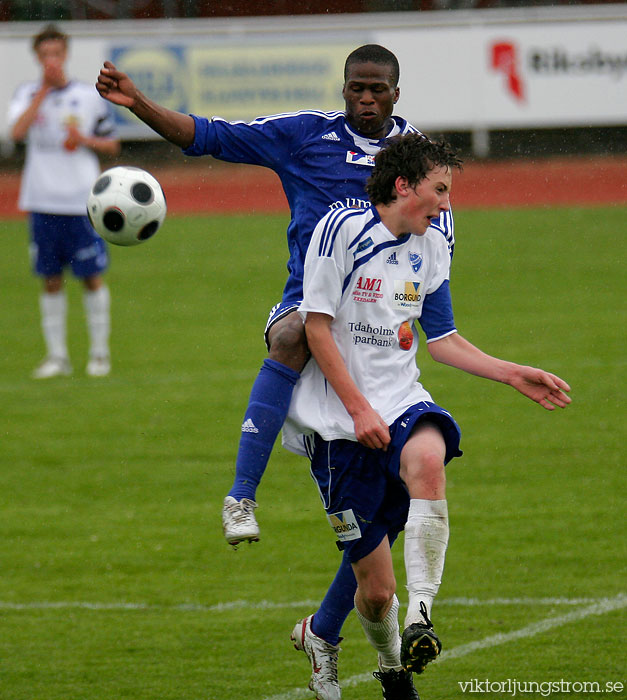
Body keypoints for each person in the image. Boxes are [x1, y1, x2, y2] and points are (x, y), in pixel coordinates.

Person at [95, 45, 455, 699]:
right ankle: (240, 495)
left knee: (386, 520)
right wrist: (138, 103)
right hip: (315, 317)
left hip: (380, 343)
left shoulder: (419, 159)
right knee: (291, 333)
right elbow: (207, 136)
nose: (364, 98)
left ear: (396, 94)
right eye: (355, 88)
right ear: (342, 88)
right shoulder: (305, 135)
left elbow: (435, 249)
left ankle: (322, 630)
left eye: (376, 88)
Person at [283, 134, 571, 699]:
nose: (445, 203)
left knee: (430, 457)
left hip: (402, 401)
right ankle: (355, 651)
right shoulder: (340, 229)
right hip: (336, 424)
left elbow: (442, 340)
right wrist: (358, 409)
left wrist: (512, 372)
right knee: (373, 591)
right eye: (439, 190)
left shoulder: (431, 244)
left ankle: (421, 617)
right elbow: (315, 329)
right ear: (403, 185)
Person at [8, 24, 120, 379]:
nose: (52, 61)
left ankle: (99, 354)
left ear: (66, 55)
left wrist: (84, 140)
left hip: (80, 202)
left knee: (91, 277)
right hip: (42, 200)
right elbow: (15, 134)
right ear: (38, 59)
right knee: (50, 279)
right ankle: (57, 356)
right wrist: (42, 91)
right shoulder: (26, 94)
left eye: (57, 54)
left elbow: (112, 144)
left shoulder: (87, 97)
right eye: (45, 56)